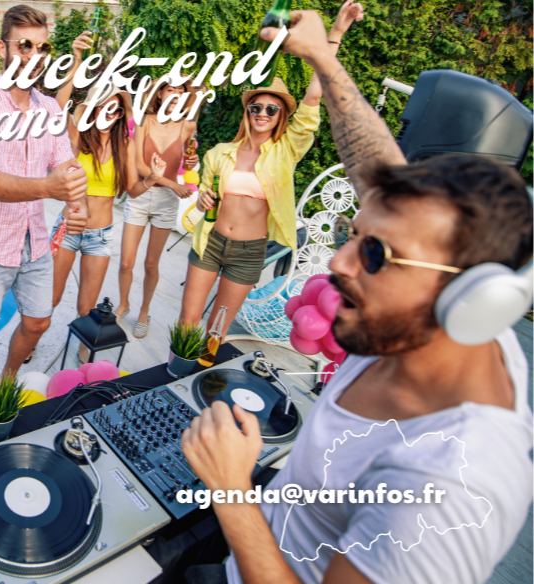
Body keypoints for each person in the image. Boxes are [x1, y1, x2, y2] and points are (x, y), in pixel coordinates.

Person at [181, 9, 534, 584]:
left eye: (375, 254)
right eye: (354, 234)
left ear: (470, 295)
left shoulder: (451, 484)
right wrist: (324, 56)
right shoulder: (431, 308)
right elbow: (378, 171)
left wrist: (231, 492)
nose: (338, 264)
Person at [178, 3, 361, 338]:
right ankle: (178, 367)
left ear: (281, 116)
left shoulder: (286, 151)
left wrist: (336, 32)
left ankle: (201, 368)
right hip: (210, 241)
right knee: (187, 322)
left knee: (217, 328)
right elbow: (205, 196)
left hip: (249, 251)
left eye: (272, 109)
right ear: (247, 111)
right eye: (256, 107)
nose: (262, 113)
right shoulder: (219, 153)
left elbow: (314, 97)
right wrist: (203, 200)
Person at [0, 4, 88, 394]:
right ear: (3, 49)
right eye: (24, 46)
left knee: (38, 322)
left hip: (35, 241)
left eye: (42, 48)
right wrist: (48, 188)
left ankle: (7, 380)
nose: (34, 56)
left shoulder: (50, 108)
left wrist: (76, 204)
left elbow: (65, 164)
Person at [51, 30, 169, 363]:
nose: (108, 115)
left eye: (115, 110)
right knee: (50, 298)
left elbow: (133, 189)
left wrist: (153, 179)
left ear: (120, 115)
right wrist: (76, 59)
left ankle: (83, 352)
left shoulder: (125, 145)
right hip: (68, 228)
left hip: (100, 236)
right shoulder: (77, 137)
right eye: (103, 107)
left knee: (86, 307)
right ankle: (31, 337)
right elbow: (58, 107)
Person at [116, 76, 199, 338]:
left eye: (180, 92)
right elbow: (139, 165)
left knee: (151, 264)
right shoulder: (144, 121)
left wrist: (192, 162)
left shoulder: (188, 126)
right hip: (141, 194)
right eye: (170, 90)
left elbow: (188, 161)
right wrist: (172, 184)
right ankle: (123, 304)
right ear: (160, 94)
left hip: (166, 202)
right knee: (126, 262)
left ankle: (144, 312)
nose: (175, 95)